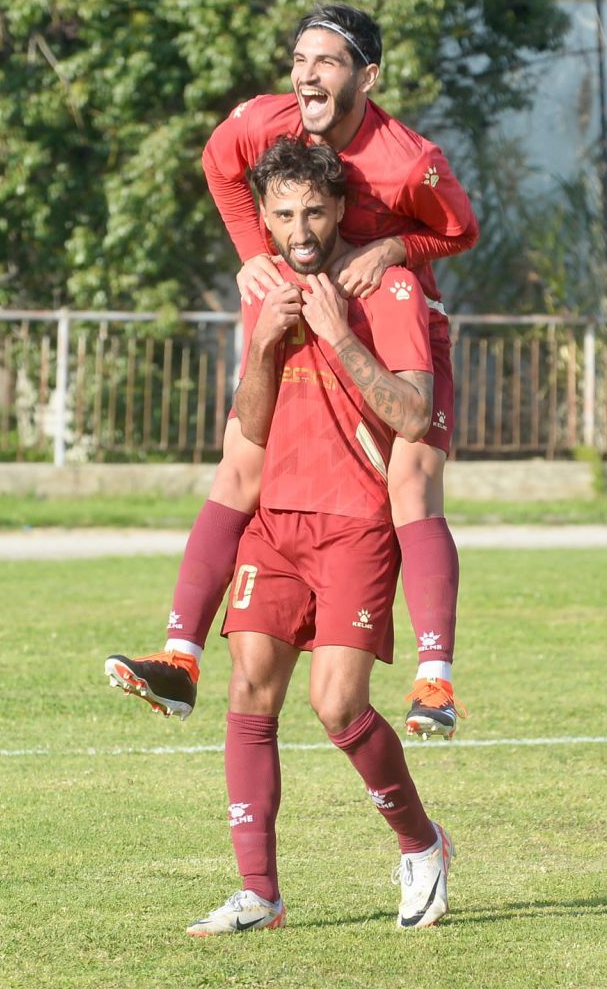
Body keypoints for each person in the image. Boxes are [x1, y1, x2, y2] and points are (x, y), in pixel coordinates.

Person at [105, 3, 476, 738]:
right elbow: (219, 166)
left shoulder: (409, 159)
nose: (307, 74)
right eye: (300, 58)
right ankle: (180, 658)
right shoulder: (263, 121)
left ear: (367, 77)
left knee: (411, 480)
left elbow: (459, 229)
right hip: (302, 302)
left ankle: (436, 680)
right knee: (240, 460)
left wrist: (393, 251)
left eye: (327, 61)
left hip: (391, 313)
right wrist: (253, 255)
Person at [186, 136, 454, 936]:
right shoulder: (264, 287)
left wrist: (338, 334)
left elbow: (413, 415)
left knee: (337, 706)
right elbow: (252, 424)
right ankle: (259, 893)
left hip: (357, 526)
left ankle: (422, 844)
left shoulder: (388, 286)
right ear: (264, 220)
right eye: (283, 215)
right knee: (249, 690)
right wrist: (266, 340)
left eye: (313, 211)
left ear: (339, 208)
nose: (299, 230)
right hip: (276, 522)